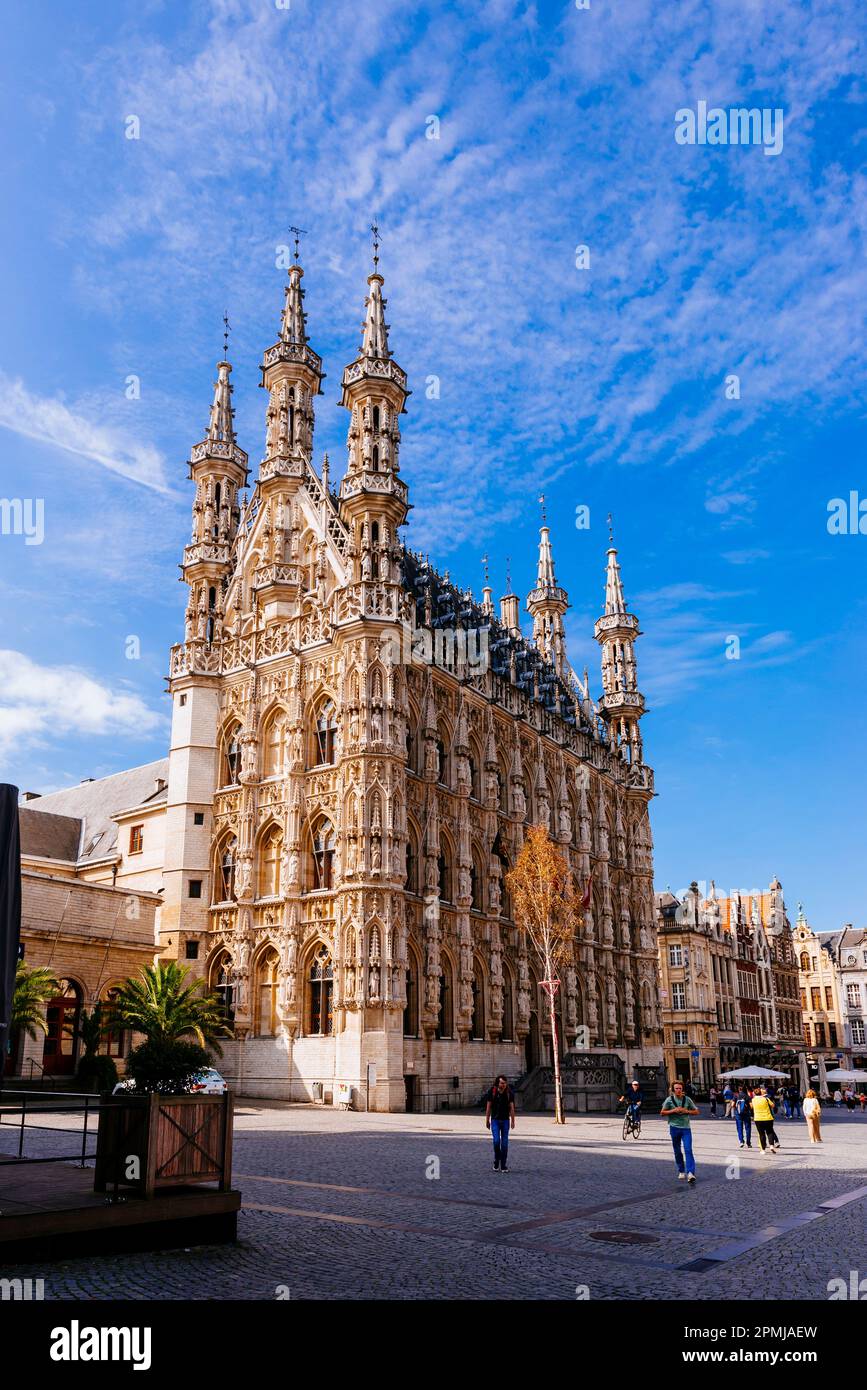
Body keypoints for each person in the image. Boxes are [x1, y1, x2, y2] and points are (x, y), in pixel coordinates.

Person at [661, 1080, 699, 1183]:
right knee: (677, 1151)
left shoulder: (687, 1100)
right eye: (676, 1088)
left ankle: (690, 1172)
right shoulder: (669, 1100)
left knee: (688, 1150)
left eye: (680, 1089)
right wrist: (673, 1111)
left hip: (686, 1128)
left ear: (682, 1090)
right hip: (674, 1128)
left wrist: (686, 1111)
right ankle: (681, 1170)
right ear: (673, 1090)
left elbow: (696, 1111)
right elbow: (662, 1113)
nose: (678, 1090)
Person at [485, 1074, 515, 1172]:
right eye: (502, 1083)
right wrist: (487, 1120)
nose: (504, 1085)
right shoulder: (492, 1092)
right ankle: (496, 1160)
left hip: (505, 1121)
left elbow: (512, 1107)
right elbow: (488, 1107)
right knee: (497, 1141)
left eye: (505, 1083)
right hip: (495, 1121)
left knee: (505, 1144)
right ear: (498, 1083)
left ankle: (503, 1164)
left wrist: (513, 1121)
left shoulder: (509, 1093)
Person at [750, 1086, 780, 1154]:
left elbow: (751, 1107)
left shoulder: (753, 1100)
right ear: (761, 1093)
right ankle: (771, 1145)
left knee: (761, 1134)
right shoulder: (766, 1099)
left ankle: (763, 1149)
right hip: (768, 1117)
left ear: (754, 1094)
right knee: (770, 1132)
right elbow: (772, 1105)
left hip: (758, 1118)